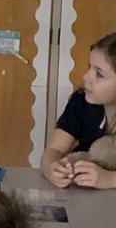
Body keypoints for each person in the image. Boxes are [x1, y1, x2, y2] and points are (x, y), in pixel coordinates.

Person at [41, 32, 116, 189]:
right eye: (89, 67)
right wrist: (52, 169)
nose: (86, 76)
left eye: (99, 74)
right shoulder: (81, 102)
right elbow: (54, 149)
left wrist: (109, 179)